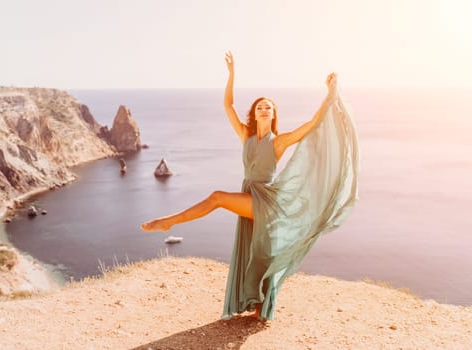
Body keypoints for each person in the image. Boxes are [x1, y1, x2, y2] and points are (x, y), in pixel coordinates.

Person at [141, 51, 359, 321]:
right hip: (248, 192)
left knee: (218, 197)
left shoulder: (279, 141)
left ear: (274, 113)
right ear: (254, 114)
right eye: (259, 107)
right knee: (259, 252)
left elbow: (313, 124)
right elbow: (228, 106)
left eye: (268, 106)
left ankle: (169, 222)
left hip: (266, 199)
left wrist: (331, 92)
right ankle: (261, 307)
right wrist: (232, 75)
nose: (264, 109)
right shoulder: (245, 134)